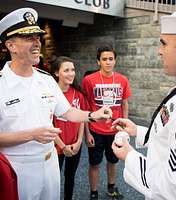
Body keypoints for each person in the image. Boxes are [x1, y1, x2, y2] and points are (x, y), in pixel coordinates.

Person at [0, 8, 112, 200]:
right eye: (29, 38)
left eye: (37, 37)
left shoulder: (46, 79)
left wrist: (93, 115)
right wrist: (31, 135)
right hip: (17, 168)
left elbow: (67, 112)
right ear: (11, 45)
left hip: (50, 163)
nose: (37, 43)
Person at [112, 7, 176, 200]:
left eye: (163, 44)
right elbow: (172, 137)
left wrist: (130, 156)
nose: (159, 52)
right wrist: (138, 131)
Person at [82, 45, 131, 200]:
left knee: (112, 161)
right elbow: (85, 108)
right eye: (104, 59)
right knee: (94, 163)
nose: (108, 62)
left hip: (115, 129)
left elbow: (124, 104)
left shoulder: (122, 80)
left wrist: (123, 128)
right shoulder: (89, 80)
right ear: (98, 61)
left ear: (115, 61)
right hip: (95, 130)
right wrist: (87, 132)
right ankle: (94, 192)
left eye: (111, 59)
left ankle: (111, 188)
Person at [50, 56, 87, 200]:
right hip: (56, 146)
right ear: (56, 73)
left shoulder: (78, 94)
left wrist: (79, 142)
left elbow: (82, 119)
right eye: (66, 70)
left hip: (75, 145)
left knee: (70, 177)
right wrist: (63, 146)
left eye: (73, 70)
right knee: (54, 180)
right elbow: (48, 123)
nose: (71, 73)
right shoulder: (50, 95)